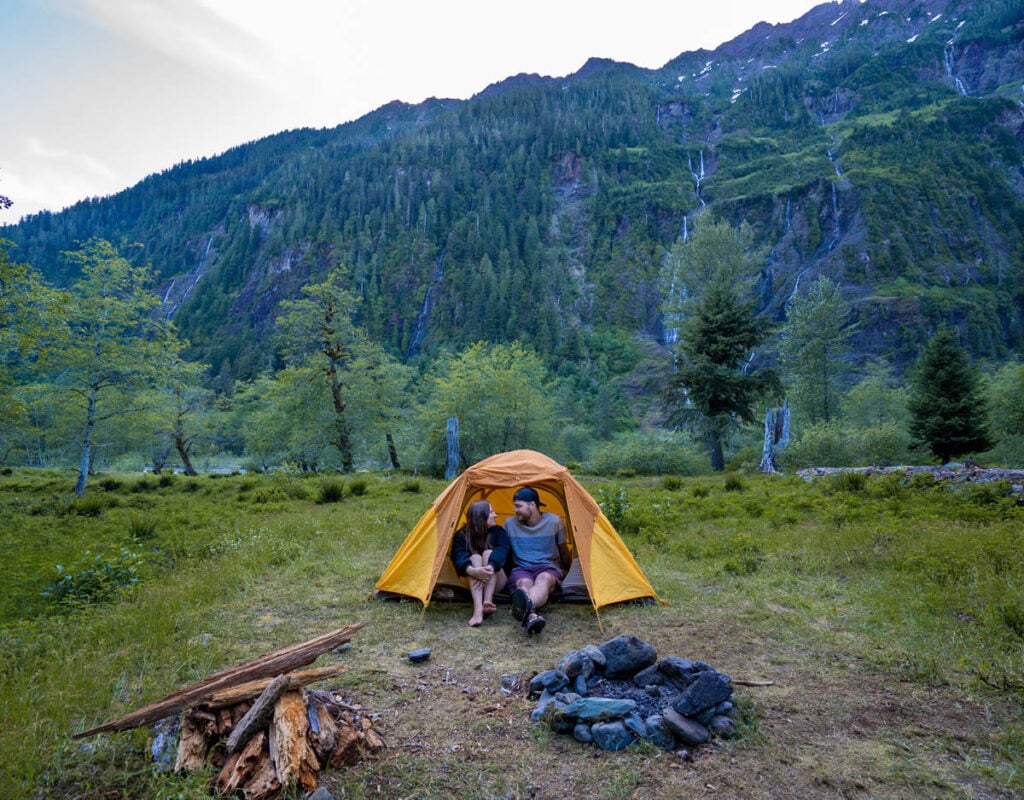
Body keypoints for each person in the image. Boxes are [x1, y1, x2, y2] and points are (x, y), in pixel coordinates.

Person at [504, 486, 570, 635]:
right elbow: (506, 554)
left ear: (532, 505)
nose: (515, 510)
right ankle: (531, 614)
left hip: (548, 568)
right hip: (521, 569)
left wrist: (569, 572)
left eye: (518, 506)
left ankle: (523, 607)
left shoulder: (554, 521)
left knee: (544, 578)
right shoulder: (510, 524)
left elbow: (563, 551)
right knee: (523, 583)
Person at [450, 500, 509, 626]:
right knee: (475, 558)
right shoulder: (461, 535)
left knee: (488, 554)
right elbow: (458, 556)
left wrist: (490, 567)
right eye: (491, 512)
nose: (496, 515)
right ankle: (478, 609)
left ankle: (488, 602)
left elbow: (502, 551)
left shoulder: (499, 532)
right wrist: (472, 571)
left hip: (497, 580)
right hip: (472, 581)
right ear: (481, 516)